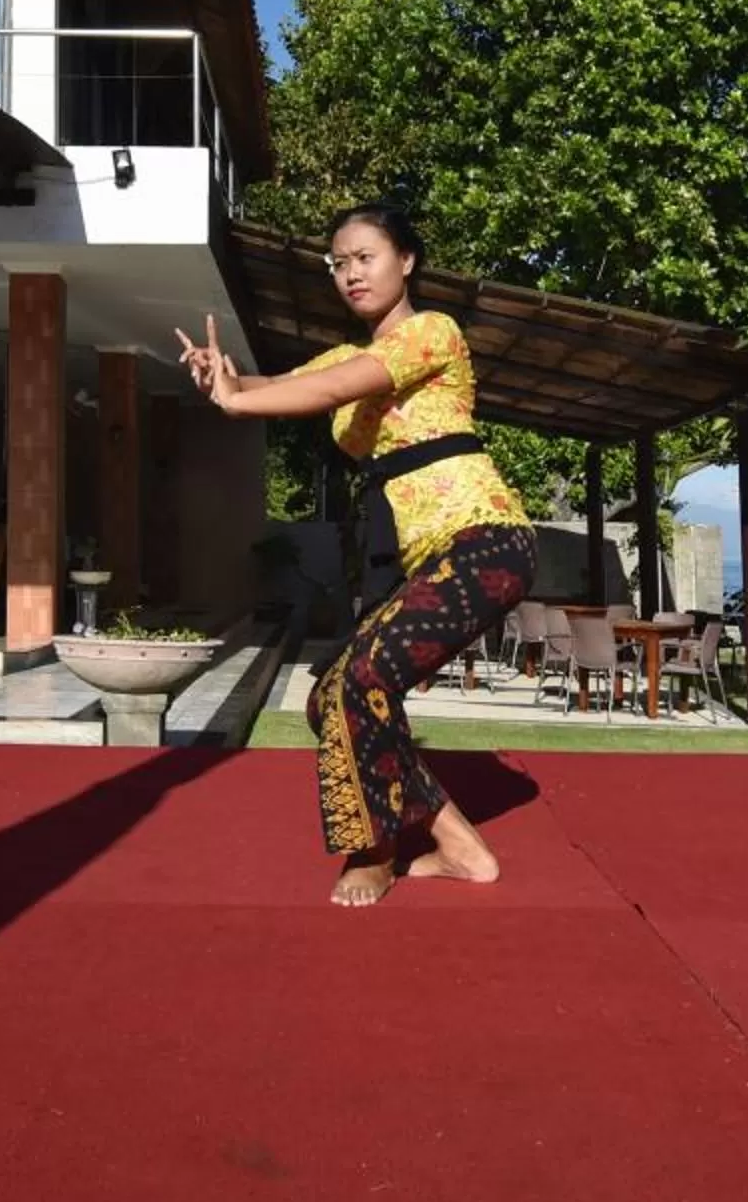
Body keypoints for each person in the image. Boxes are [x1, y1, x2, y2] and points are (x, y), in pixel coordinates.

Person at [176, 204, 535, 907]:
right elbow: (283, 385)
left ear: (407, 261)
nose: (349, 274)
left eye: (364, 257)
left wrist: (238, 405)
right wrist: (225, 378)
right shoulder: (346, 355)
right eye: (337, 263)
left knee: (356, 682)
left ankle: (375, 852)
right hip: (420, 556)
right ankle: (460, 844)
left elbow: (339, 389)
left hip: (483, 537)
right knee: (327, 699)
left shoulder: (433, 333)